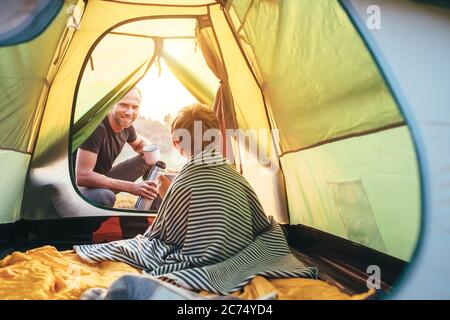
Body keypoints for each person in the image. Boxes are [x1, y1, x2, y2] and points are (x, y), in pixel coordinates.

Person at [74, 103, 317, 296]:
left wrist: (166, 195)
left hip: (202, 260)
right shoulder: (233, 173)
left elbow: (167, 233)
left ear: (178, 143)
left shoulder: (186, 179)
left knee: (147, 246)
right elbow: (257, 221)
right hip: (242, 251)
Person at [75, 87, 159, 208]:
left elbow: (140, 143)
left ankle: (150, 214)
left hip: (102, 179)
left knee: (150, 158)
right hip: (78, 189)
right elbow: (82, 176)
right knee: (105, 196)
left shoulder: (126, 127)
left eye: (135, 107)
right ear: (111, 105)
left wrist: (155, 159)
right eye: (124, 105)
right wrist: (131, 187)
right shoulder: (96, 128)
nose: (129, 112)